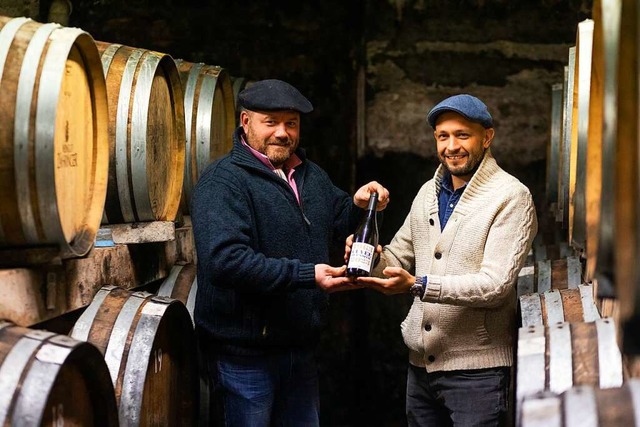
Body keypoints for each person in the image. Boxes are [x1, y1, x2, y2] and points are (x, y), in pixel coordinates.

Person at [190, 78, 389, 426]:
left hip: (299, 351)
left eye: (291, 123)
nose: (283, 133)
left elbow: (338, 215)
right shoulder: (223, 182)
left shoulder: (308, 175)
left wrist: (360, 205)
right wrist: (306, 275)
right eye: (271, 122)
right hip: (244, 358)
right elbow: (225, 261)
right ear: (245, 122)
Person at [346, 94, 537, 426]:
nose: (452, 145)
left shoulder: (511, 197)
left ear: (486, 137)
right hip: (420, 369)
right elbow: (396, 256)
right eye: (443, 136)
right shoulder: (427, 193)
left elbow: (495, 286)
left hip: (477, 374)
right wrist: (369, 257)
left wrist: (419, 285)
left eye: (462, 135)